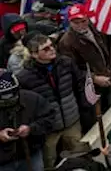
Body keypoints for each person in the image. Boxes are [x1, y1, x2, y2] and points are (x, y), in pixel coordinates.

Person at [16, 34, 87, 167]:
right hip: (48, 129)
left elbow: (79, 84)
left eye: (51, 45)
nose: (52, 49)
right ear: (34, 54)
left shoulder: (66, 62)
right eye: (46, 49)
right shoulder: (24, 78)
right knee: (49, 161)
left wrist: (84, 106)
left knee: (80, 155)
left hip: (72, 120)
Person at [0, 70, 55, 171]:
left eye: (12, 96)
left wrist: (31, 129)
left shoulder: (33, 99)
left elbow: (49, 118)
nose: (8, 101)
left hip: (31, 154)